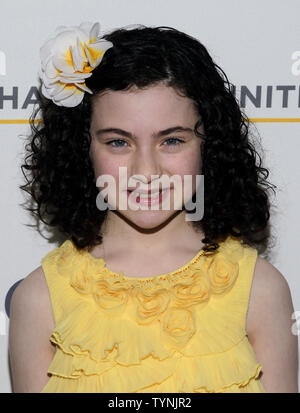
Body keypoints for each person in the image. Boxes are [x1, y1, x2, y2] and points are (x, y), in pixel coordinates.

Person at [8, 21, 298, 393]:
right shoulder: (39, 299)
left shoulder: (260, 289)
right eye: (118, 142)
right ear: (83, 148)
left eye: (172, 140)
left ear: (209, 143)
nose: (146, 171)